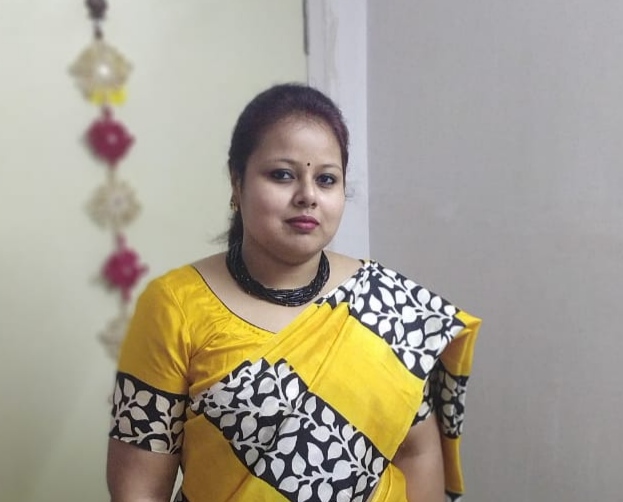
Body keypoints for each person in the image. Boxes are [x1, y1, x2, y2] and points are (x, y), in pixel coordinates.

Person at [106, 83, 481, 502]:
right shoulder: (174, 306)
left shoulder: (387, 304)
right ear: (237, 183)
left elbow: (417, 451)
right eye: (282, 175)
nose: (307, 196)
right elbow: (139, 488)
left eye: (326, 179)